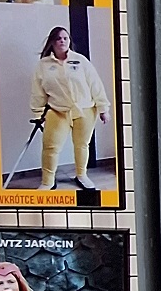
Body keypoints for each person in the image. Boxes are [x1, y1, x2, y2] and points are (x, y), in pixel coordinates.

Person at [29, 26, 110, 190]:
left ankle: (81, 175)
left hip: (85, 109)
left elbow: (95, 84)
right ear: (52, 42)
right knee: (51, 146)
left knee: (82, 145)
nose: (62, 41)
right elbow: (38, 91)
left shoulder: (80, 60)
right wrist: (38, 113)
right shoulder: (43, 65)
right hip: (58, 111)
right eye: (58, 38)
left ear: (69, 41)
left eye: (65, 38)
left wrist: (103, 108)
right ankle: (47, 181)